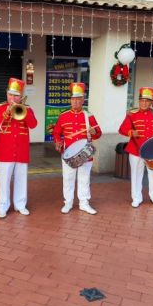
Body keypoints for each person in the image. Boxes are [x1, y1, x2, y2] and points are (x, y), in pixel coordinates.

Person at [0, 78, 38, 218]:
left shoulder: (27, 109)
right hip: (5, 150)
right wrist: (4, 117)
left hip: (21, 149)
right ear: (7, 94)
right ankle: (3, 206)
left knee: (21, 178)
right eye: (10, 94)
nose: (12, 98)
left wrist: (25, 111)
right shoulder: (0, 107)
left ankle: (20, 205)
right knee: (4, 180)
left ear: (20, 96)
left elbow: (33, 124)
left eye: (16, 95)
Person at [53, 82, 102, 215]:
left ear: (83, 100)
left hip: (85, 153)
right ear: (70, 100)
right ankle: (68, 203)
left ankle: (84, 203)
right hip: (68, 153)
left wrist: (94, 132)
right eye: (73, 99)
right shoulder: (63, 116)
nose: (75, 102)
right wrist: (57, 141)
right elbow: (56, 132)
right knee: (68, 178)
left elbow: (99, 133)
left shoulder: (89, 116)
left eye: (78, 99)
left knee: (84, 178)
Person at [119, 86, 153, 208]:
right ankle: (136, 198)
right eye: (142, 100)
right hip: (136, 150)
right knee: (136, 175)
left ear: (152, 102)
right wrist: (131, 132)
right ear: (139, 101)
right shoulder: (132, 114)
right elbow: (122, 129)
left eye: (147, 101)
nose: (144, 103)